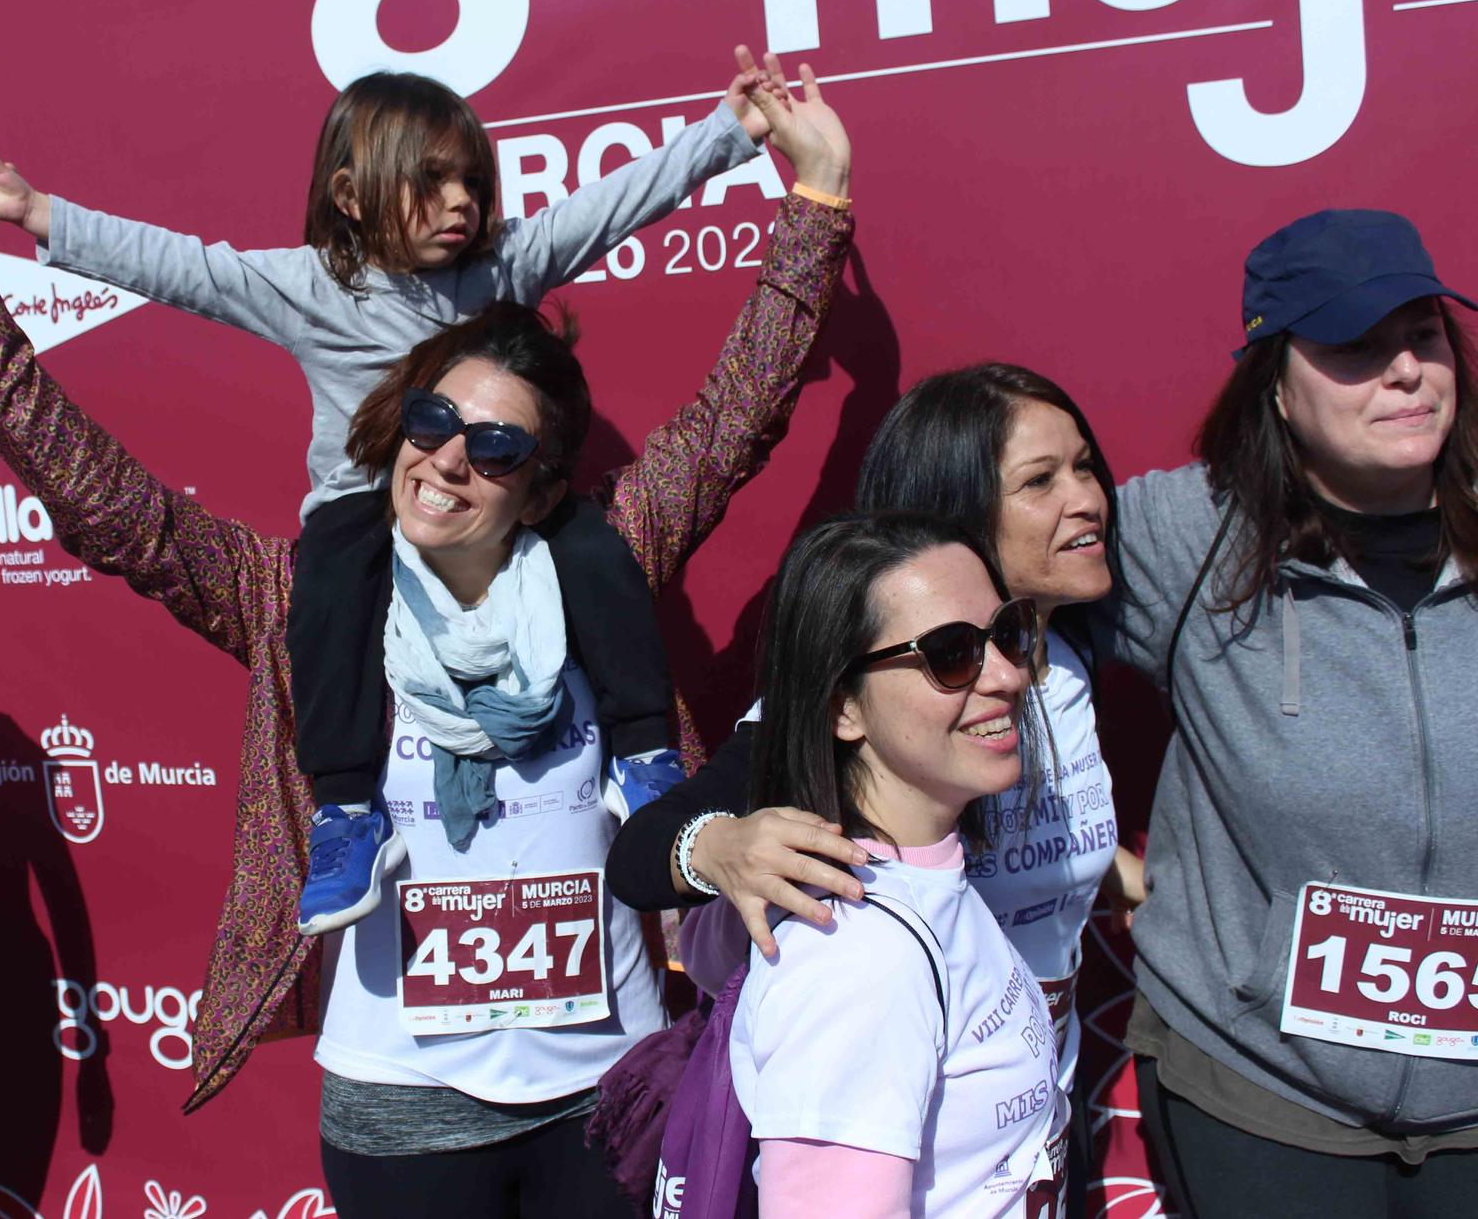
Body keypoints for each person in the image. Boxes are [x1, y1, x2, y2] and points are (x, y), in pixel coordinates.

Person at [0, 62, 864, 1211]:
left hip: (610, 1094)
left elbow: (737, 408)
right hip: (397, 1116)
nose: (451, 459)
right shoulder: (304, 597)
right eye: (430, 423)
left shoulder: (601, 564)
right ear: (391, 429)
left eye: (497, 448)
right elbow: (106, 500)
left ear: (544, 479)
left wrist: (812, 199)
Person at [0, 49, 781, 937]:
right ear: (352, 195)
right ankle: (347, 812)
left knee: (593, 551)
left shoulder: (499, 269)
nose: (464, 201)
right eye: (433, 181)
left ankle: (646, 758)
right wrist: (37, 214)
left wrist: (727, 133)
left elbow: (606, 209)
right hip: (363, 510)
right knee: (324, 586)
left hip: (498, 517)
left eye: (472, 178)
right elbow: (183, 268)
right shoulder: (316, 287)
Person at [609, 364, 1145, 1213]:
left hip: (1026, 1114)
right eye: (1041, 480)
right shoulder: (881, 694)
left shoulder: (1063, 662)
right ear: (957, 505)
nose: (1088, 498)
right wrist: (720, 845)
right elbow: (640, 855)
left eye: (1085, 466)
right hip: (904, 1122)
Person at [1105, 209, 1478, 1214]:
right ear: (1272, 379)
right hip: (1259, 1097)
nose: (1404, 369)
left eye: (1422, 334)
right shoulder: (1183, 539)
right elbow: (921, 599)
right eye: (1356, 345)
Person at [714, 512, 1064, 1216]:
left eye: (1007, 632)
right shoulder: (858, 958)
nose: (1007, 672)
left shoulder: (921, 881)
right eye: (951, 652)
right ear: (844, 704)